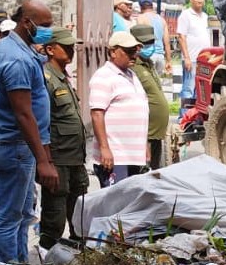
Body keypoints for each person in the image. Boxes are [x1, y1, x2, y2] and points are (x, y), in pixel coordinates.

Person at [0, 0, 59, 264]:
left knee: (23, 211)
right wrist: (43, 160)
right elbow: (24, 113)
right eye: (46, 25)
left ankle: (19, 264)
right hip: (13, 144)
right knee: (9, 215)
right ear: (27, 22)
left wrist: (44, 156)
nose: (50, 30)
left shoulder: (15, 49)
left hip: (17, 145)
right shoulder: (15, 59)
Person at [39, 27, 89, 250]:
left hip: (75, 158)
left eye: (72, 47)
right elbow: (42, 123)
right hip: (58, 159)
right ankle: (47, 257)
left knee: (79, 214)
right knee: (54, 218)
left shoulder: (63, 78)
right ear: (50, 49)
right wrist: (46, 161)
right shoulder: (46, 78)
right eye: (65, 47)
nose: (71, 51)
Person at [89, 31, 150, 187]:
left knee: (130, 205)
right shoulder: (103, 76)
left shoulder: (132, 75)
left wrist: (144, 146)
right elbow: (97, 113)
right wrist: (105, 148)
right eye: (128, 52)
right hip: (116, 156)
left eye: (135, 51)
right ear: (113, 52)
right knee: (115, 206)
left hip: (133, 157)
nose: (134, 56)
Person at [130, 24, 172, 170]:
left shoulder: (148, 64)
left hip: (156, 134)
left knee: (155, 170)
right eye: (145, 44)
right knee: (144, 171)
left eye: (151, 43)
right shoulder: (133, 67)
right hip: (145, 133)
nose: (149, 47)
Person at [176, 0, 213, 110]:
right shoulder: (186, 15)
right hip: (191, 59)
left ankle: (195, 118)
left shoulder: (205, 16)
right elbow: (181, 36)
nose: (199, 1)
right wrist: (186, 57)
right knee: (188, 89)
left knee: (200, 90)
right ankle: (184, 117)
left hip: (204, 60)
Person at [137, 0, 173, 76]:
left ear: (141, 7)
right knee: (157, 84)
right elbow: (167, 42)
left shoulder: (141, 18)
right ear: (152, 6)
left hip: (147, 56)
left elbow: (138, 38)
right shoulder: (162, 20)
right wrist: (169, 61)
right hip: (160, 57)